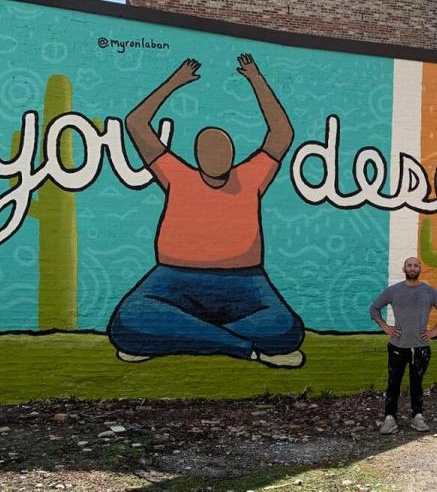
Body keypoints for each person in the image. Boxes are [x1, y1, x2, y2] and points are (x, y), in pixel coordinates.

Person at [106, 54, 305, 368]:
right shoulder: (177, 176)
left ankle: (179, 335)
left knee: (285, 329)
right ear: (197, 156)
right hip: (172, 280)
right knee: (127, 322)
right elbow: (136, 123)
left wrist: (256, 79)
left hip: (245, 283)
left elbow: (282, 134)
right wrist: (174, 82)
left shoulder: (250, 177)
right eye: (208, 151)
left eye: (222, 150)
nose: (216, 158)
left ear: (233, 153)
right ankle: (242, 347)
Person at [369, 257, 437, 434]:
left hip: (421, 347)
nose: (412, 268)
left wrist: (435, 330)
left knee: (417, 384)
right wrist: (385, 326)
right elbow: (374, 308)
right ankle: (390, 419)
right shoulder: (394, 291)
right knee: (393, 383)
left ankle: (417, 417)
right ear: (404, 268)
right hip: (397, 347)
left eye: (415, 265)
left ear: (420, 269)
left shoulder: (429, 291)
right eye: (409, 265)